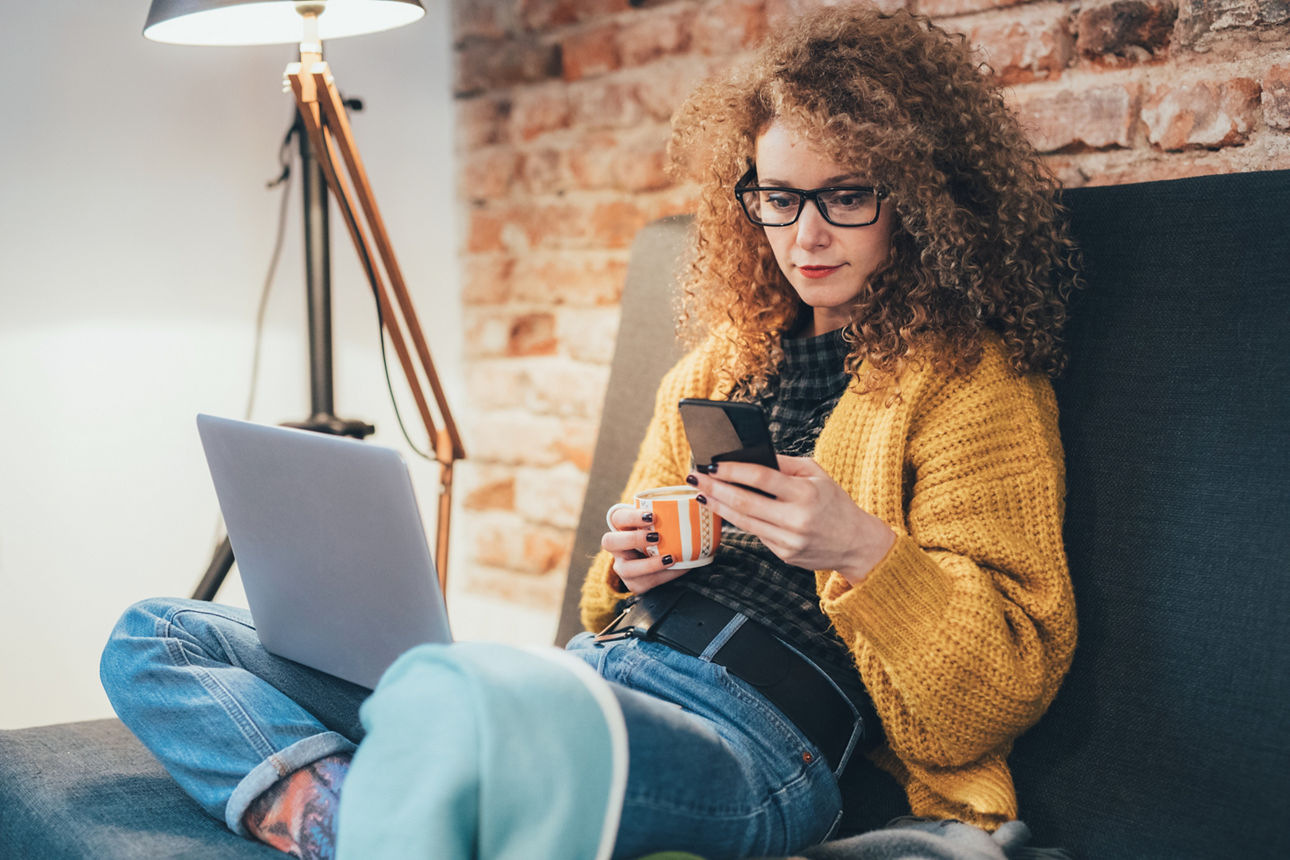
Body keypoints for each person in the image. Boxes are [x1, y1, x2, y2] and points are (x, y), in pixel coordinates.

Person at [100, 5, 1079, 859]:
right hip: (595, 673)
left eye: (846, 196)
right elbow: (599, 600)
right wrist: (634, 561)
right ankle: (353, 823)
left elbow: (996, 690)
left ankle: (407, 785)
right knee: (157, 634)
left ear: (918, 197)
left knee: (456, 701)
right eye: (778, 200)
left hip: (760, 741)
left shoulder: (970, 381)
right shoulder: (715, 366)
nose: (805, 235)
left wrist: (861, 545)